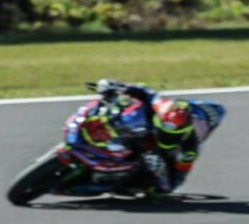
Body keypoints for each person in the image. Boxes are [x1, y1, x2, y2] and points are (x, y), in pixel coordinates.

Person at [92, 78, 226, 197]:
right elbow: (144, 90)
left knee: (155, 182)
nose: (167, 138)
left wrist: (161, 173)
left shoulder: (189, 150)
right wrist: (118, 86)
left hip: (171, 153)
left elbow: (176, 181)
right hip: (183, 113)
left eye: (172, 136)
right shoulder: (161, 106)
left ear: (184, 132)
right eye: (164, 132)